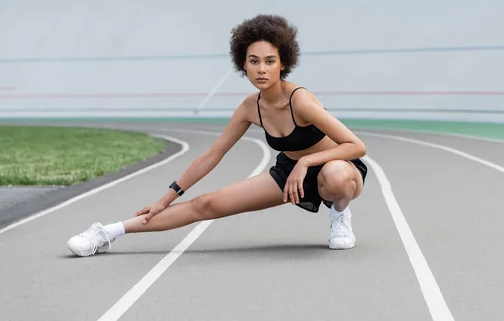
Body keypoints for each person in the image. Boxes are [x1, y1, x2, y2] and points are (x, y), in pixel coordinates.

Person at [66, 14, 368, 257]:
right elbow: (212, 155)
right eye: (253, 61)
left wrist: (307, 162)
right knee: (205, 205)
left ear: (283, 63)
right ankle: (108, 233)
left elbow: (356, 146)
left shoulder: (300, 100)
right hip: (289, 175)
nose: (261, 69)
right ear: (243, 64)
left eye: (269, 61)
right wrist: (165, 198)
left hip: (338, 169)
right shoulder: (251, 108)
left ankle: (340, 216)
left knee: (337, 175)